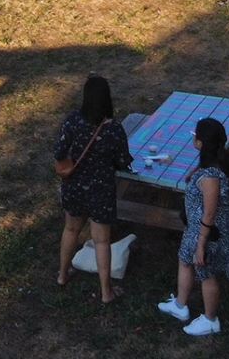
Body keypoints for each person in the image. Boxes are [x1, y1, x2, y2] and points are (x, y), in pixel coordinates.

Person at [54, 75, 133, 303]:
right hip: (101, 191)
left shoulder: (72, 121)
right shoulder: (114, 129)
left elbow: (59, 150)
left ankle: (62, 274)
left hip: (74, 186)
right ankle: (106, 291)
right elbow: (123, 160)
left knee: (70, 230)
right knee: (101, 241)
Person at [156, 118, 229, 336]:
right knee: (184, 262)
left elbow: (209, 213)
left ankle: (211, 320)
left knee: (206, 273)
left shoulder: (210, 176)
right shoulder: (210, 165)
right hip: (194, 230)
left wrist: (201, 244)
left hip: (207, 234)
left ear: (200, 143)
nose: (193, 136)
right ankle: (180, 306)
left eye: (195, 135)